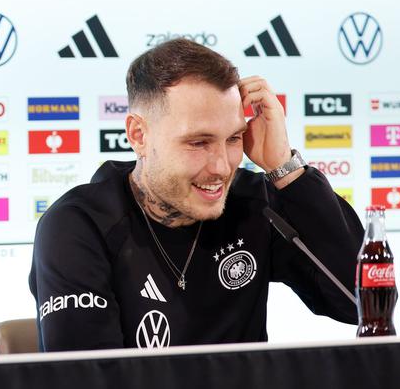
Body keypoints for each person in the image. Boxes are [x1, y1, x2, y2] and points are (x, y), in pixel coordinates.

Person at [29, 39, 361, 351]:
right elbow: (85, 376)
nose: (222, 167)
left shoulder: (251, 203)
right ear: (139, 135)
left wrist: (286, 169)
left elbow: (358, 301)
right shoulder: (78, 226)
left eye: (233, 139)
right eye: (198, 142)